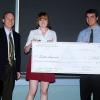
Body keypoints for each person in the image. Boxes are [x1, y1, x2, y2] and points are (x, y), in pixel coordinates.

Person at [24, 12, 57, 100]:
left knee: (44, 91)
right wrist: (31, 43)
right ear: (38, 21)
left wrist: (52, 46)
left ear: (48, 21)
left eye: (45, 19)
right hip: (35, 63)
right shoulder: (33, 32)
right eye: (40, 19)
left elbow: (56, 51)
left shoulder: (53, 33)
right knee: (32, 91)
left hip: (47, 64)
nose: (43, 21)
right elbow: (26, 50)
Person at [77, 9, 100, 100]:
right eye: (87, 17)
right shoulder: (82, 33)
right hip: (84, 71)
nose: (89, 19)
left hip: (98, 72)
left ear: (97, 18)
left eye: (92, 17)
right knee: (84, 97)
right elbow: (76, 51)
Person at [0, 11, 21, 100]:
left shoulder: (16, 35)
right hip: (1, 68)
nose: (10, 20)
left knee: (8, 96)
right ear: (3, 20)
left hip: (12, 68)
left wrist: (18, 70)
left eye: (12, 19)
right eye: (8, 18)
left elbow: (18, 54)